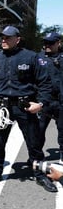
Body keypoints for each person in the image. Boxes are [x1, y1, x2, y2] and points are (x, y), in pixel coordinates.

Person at [0, 26, 57, 192]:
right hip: (1, 108)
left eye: (7, 38)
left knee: (34, 144)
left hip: (25, 107)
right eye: (2, 38)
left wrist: (40, 104)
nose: (3, 40)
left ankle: (40, 175)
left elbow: (45, 83)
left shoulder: (31, 57)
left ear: (17, 39)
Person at [37, 32, 63, 162]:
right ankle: (36, 157)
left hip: (60, 102)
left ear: (59, 43)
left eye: (50, 43)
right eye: (45, 42)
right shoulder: (38, 58)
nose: (47, 45)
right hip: (43, 102)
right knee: (38, 132)